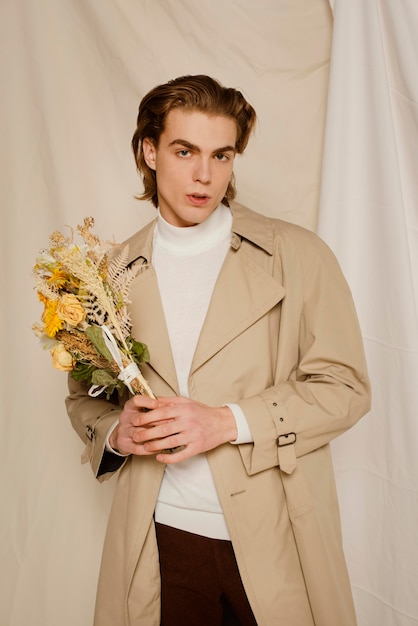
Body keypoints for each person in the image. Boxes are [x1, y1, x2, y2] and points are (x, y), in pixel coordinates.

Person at [66, 74, 371, 626]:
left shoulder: (297, 256)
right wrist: (117, 432)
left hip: (277, 538)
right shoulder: (107, 276)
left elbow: (346, 389)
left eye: (222, 154)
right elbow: (84, 398)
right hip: (160, 541)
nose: (205, 175)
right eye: (185, 151)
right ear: (149, 151)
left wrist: (227, 422)